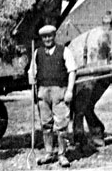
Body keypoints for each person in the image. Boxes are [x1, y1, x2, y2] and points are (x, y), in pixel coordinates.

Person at [28, 25, 76, 168]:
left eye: (50, 36)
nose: (47, 39)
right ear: (42, 39)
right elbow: (32, 72)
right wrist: (31, 80)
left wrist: (70, 90)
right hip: (43, 92)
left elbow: (72, 71)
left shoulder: (64, 51)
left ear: (54, 36)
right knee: (46, 124)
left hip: (59, 92)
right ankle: (49, 153)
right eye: (44, 37)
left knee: (61, 125)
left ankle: (62, 155)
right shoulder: (37, 53)